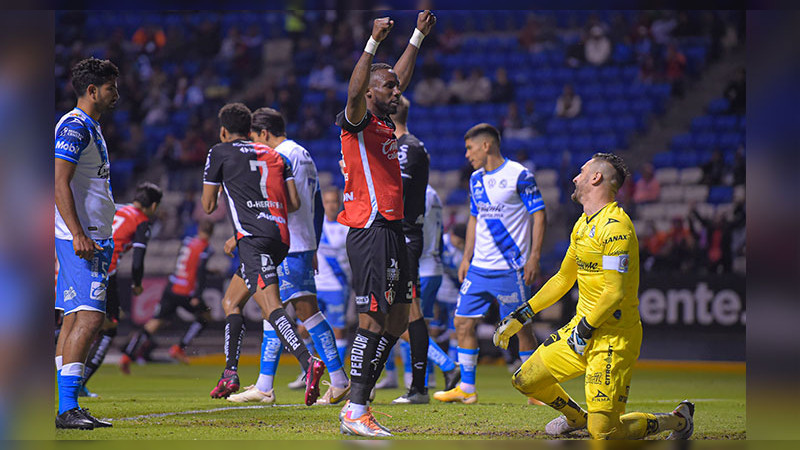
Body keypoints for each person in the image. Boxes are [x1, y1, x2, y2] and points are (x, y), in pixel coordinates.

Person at [493, 153, 695, 440]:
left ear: (596, 178)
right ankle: (576, 418)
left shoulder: (616, 229)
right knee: (525, 379)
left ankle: (678, 420)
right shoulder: (583, 224)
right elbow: (563, 278)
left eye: (581, 172)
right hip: (581, 329)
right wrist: (521, 315)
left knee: (604, 434)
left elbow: (614, 292)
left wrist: (584, 330)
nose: (575, 178)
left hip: (612, 337)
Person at [336, 11, 436, 437]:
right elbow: (357, 88)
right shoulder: (356, 121)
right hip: (370, 227)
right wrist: (372, 43)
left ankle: (362, 397)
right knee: (373, 321)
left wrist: (416, 36)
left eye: (396, 86)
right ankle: (355, 408)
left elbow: (398, 77)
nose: (397, 90)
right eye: (388, 86)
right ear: (371, 93)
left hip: (394, 229)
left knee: (397, 320)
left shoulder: (382, 122)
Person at [201, 103, 325, 405]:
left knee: (271, 307)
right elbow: (293, 202)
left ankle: (308, 362)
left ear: (224, 131)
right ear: (250, 131)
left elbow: (207, 206)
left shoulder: (219, 151)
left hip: (252, 239)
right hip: (280, 238)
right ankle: (230, 372)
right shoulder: (273, 155)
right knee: (232, 300)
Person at [227, 107, 349, 406]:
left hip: (286, 245)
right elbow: (317, 203)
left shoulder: (278, 156)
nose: (256, 145)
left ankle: (338, 379)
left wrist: (244, 234)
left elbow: (278, 202)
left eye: (256, 138)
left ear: (264, 134)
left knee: (302, 312)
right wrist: (315, 243)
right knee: (277, 312)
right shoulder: (303, 154)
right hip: (302, 242)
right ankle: (266, 385)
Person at [434, 123, 545, 405]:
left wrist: (534, 257)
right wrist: (467, 258)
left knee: (521, 328)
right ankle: (467, 389)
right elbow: (474, 219)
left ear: (486, 145)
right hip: (479, 269)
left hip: (511, 268)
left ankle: (535, 389)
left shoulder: (520, 175)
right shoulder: (475, 179)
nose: (467, 154)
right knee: (462, 323)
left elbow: (539, 215)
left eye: (470, 148)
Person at [376, 96, 459, 404]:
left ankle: (422, 384)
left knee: (406, 314)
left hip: (408, 245)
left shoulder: (406, 147)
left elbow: (395, 191)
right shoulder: (409, 149)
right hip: (415, 248)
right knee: (399, 314)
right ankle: (415, 383)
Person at [54, 57, 119, 429]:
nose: (117, 94)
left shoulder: (87, 126)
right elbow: (58, 180)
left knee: (75, 317)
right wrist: (78, 232)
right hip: (85, 239)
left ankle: (65, 402)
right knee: (91, 318)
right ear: (92, 90)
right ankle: (67, 408)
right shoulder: (75, 126)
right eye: (111, 88)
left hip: (90, 235)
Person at [82, 181, 161, 381]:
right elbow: (138, 259)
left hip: (83, 263)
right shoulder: (142, 221)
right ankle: (81, 381)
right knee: (108, 326)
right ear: (153, 206)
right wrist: (136, 283)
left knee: (76, 318)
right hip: (106, 271)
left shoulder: (117, 207)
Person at [119, 220, 215, 367]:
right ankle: (179, 348)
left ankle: (128, 355)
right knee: (205, 316)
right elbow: (199, 271)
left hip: (172, 286)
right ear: (212, 232)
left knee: (154, 323)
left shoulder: (187, 242)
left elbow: (187, 264)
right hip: (187, 292)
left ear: (199, 228)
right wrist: (198, 295)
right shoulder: (206, 248)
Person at [313, 187, 353, 364]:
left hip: (337, 285)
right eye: (327, 202)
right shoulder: (315, 224)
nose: (330, 206)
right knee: (304, 328)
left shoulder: (345, 227)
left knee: (338, 329)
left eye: (334, 202)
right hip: (314, 284)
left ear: (339, 204)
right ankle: (307, 372)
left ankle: (338, 370)